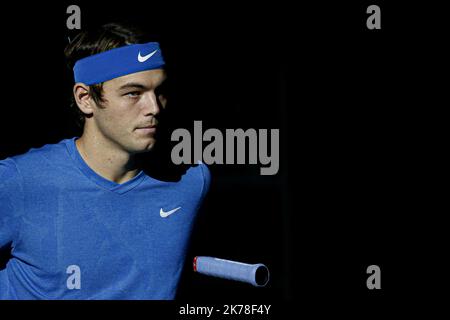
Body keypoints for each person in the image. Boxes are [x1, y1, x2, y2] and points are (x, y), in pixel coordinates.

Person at [0, 23, 210, 299]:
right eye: (133, 93)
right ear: (85, 99)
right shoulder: (18, 181)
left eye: (159, 91)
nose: (154, 108)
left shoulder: (191, 179)